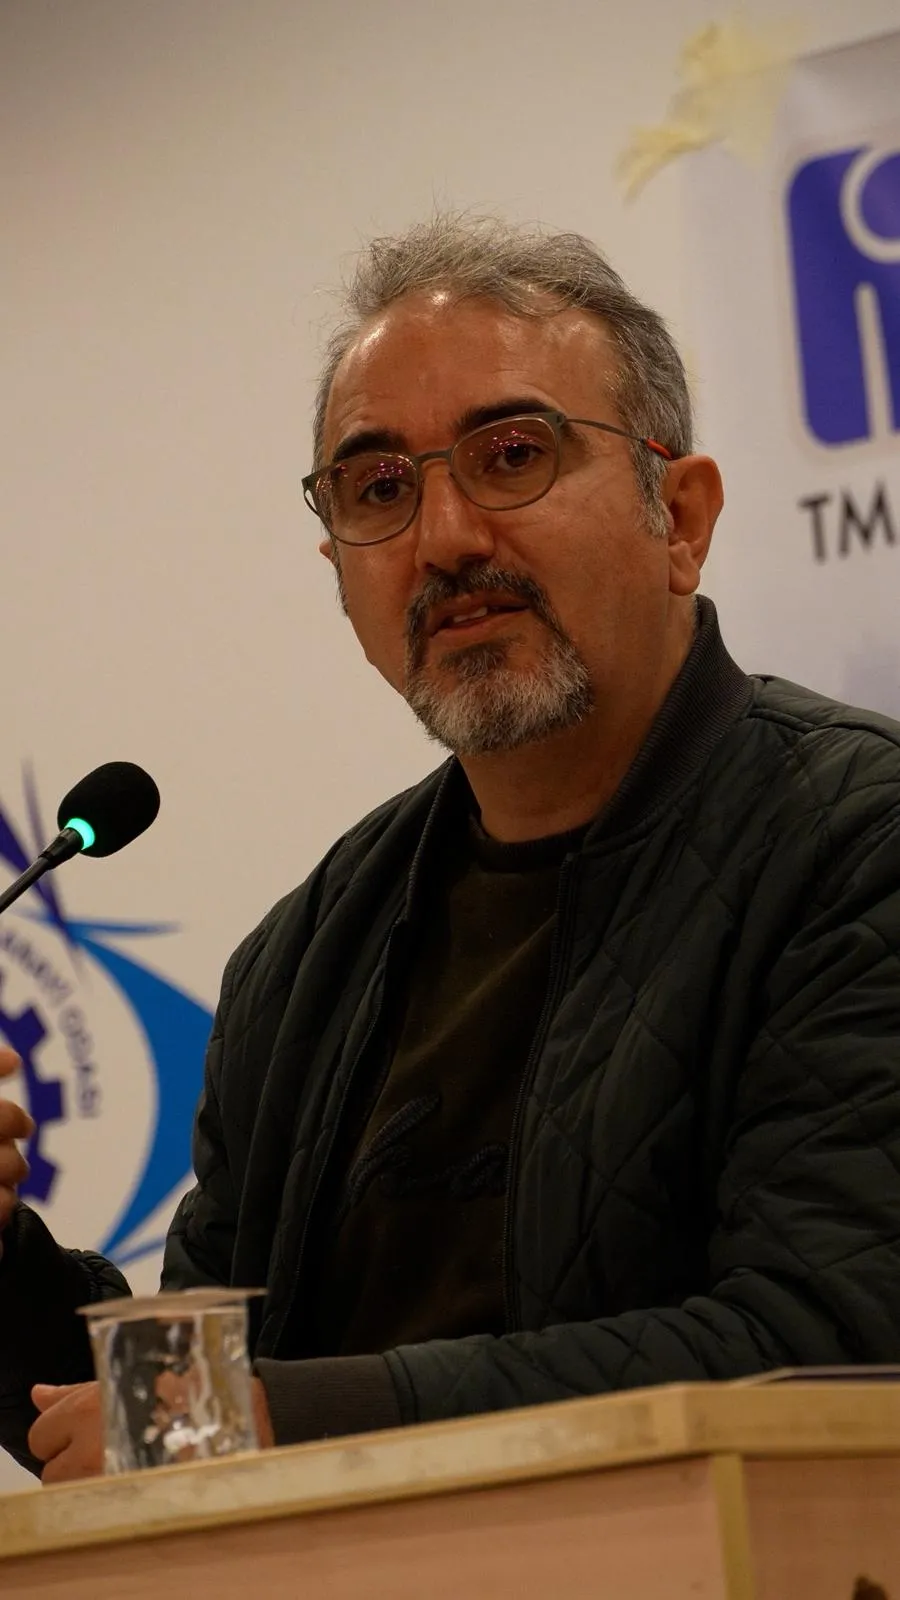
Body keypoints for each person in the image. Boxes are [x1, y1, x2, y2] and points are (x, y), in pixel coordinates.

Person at [3, 215, 900, 1485]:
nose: (445, 539)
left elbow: (828, 1343)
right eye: (379, 489)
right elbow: (180, 1426)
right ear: (337, 568)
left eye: (513, 456)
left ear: (681, 518)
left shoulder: (858, 841)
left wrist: (272, 1418)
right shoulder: (303, 954)